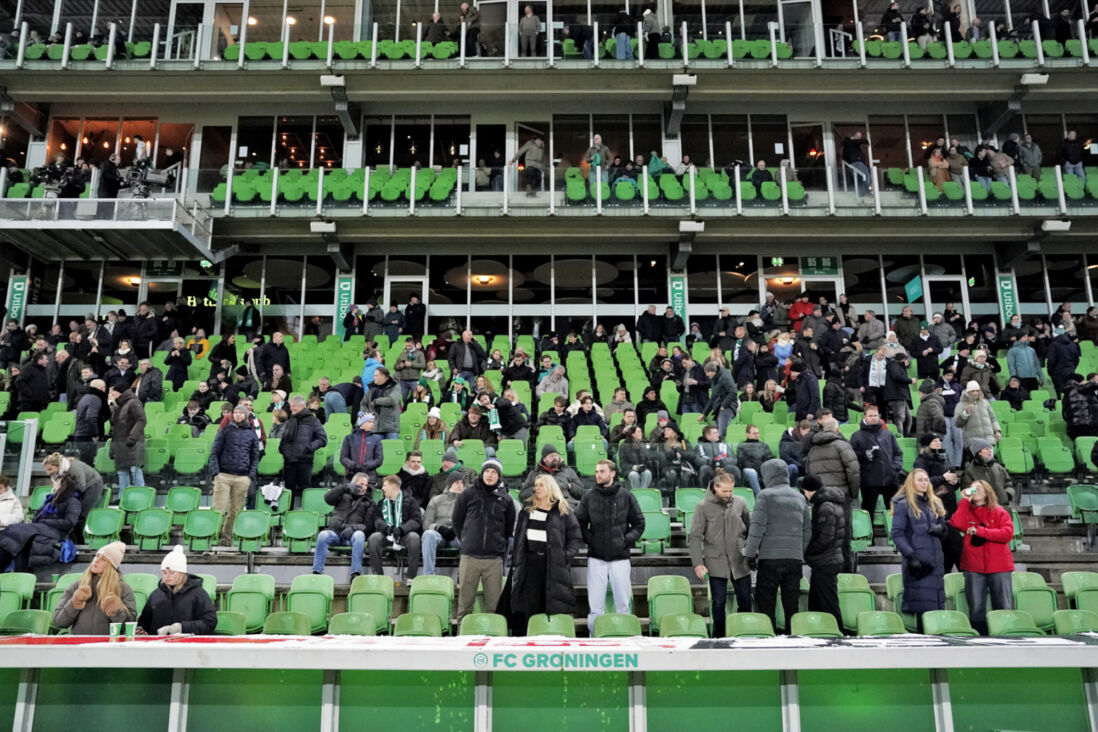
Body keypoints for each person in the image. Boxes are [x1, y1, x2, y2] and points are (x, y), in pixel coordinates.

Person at [505, 474, 583, 631]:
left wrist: (564, 556)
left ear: (550, 487)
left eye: (540, 485)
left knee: (552, 606)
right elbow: (519, 538)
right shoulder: (527, 510)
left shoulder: (564, 510)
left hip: (554, 565)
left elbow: (575, 538)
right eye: (535, 485)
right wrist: (517, 560)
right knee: (529, 607)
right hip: (529, 565)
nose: (536, 488)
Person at [743, 458, 812, 634]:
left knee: (766, 603)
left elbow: (757, 528)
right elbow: (807, 531)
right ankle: (794, 638)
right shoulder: (799, 497)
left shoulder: (765, 496)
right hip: (794, 561)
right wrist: (799, 552)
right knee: (791, 604)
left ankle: (768, 638)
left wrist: (750, 554)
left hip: (770, 559)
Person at [576, 460, 645, 633]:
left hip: (620, 557)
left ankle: (625, 636)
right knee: (595, 605)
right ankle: (595, 636)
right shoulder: (588, 497)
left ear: (612, 473)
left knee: (623, 602)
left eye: (602, 471)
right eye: (596, 471)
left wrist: (624, 541)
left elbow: (639, 524)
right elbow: (579, 524)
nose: (597, 474)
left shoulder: (627, 496)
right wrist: (592, 540)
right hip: (596, 557)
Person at [452, 457, 516, 622]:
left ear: (499, 476)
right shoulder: (468, 495)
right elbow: (456, 521)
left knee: (494, 607)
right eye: (487, 471)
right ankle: (461, 638)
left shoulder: (506, 500)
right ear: (482, 473)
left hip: (493, 559)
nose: (490, 475)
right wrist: (466, 540)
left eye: (494, 472)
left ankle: (493, 639)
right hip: (469, 557)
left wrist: (497, 544)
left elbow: (508, 529)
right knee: (464, 606)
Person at [689, 471, 752, 637]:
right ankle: (720, 636)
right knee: (718, 603)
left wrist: (750, 552)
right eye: (725, 491)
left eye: (731, 491)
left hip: (739, 559)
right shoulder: (702, 506)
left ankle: (743, 633)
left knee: (745, 599)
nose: (729, 494)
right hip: (715, 561)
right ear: (715, 487)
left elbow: (750, 528)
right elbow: (695, 537)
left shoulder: (740, 503)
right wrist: (698, 563)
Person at [949, 479, 1015, 635]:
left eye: (978, 488)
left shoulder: (1000, 512)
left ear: (987, 491)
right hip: (974, 566)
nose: (975, 490)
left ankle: (1003, 636)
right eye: (972, 488)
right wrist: (965, 500)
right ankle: (979, 638)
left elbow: (1007, 534)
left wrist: (980, 531)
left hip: (999, 566)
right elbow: (957, 523)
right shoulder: (967, 511)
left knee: (1003, 605)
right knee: (976, 606)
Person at [890, 468, 948, 626]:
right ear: (911, 482)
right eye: (920, 480)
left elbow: (945, 529)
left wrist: (941, 529)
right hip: (918, 563)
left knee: (935, 607)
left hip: (936, 561)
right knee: (923, 608)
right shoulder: (903, 504)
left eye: (926, 480)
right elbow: (897, 533)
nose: (924, 483)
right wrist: (911, 556)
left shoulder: (934, 502)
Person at [803, 418, 860, 572]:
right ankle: (846, 575)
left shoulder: (813, 449)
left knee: (824, 536)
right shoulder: (843, 445)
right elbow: (853, 472)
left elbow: (809, 473)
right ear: (836, 429)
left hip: (821, 499)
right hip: (841, 497)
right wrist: (853, 494)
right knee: (844, 537)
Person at [0, 469, 81, 570]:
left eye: (57, 483)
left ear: (63, 486)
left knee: (19, 532)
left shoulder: (73, 501)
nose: (54, 485)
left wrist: (46, 521)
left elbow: (70, 522)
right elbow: (38, 514)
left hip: (55, 531)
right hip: (42, 527)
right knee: (11, 530)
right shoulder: (51, 500)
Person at [51, 541, 135, 636]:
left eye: (103, 559)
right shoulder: (76, 586)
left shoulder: (123, 588)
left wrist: (116, 611)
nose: (96, 560)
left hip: (108, 646)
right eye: (97, 555)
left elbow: (130, 625)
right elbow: (58, 622)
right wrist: (74, 604)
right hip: (79, 645)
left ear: (111, 565)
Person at [210, 404, 261, 546]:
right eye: (236, 413)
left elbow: (255, 456)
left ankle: (227, 538)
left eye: (241, 413)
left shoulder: (252, 435)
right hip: (224, 476)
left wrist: (249, 476)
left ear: (246, 415)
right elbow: (214, 452)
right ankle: (213, 536)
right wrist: (216, 473)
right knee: (219, 509)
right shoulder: (225, 431)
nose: (238, 415)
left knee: (235, 511)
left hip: (242, 477)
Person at [137, 545, 217, 636]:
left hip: (188, 644)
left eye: (172, 572)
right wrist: (142, 630)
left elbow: (209, 623)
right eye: (164, 572)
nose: (167, 576)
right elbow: (145, 623)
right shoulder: (156, 595)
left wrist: (182, 627)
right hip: (159, 645)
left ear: (182, 573)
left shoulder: (198, 593)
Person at [313, 472, 376, 580]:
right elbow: (327, 498)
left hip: (352, 536)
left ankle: (355, 573)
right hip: (335, 533)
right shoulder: (342, 494)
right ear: (354, 484)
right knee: (323, 535)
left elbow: (369, 526)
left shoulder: (369, 502)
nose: (364, 487)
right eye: (362, 484)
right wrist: (344, 487)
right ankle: (317, 572)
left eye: (366, 485)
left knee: (360, 535)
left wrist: (354, 528)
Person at [801, 474, 845, 629]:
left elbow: (824, 537)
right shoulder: (831, 503)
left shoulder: (824, 506)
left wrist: (808, 552)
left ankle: (837, 632)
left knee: (827, 602)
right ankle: (822, 631)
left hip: (825, 560)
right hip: (830, 558)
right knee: (819, 600)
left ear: (808, 490)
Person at [849, 404, 903, 516]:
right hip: (869, 480)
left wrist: (895, 468)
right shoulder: (856, 436)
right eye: (870, 416)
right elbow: (851, 456)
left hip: (890, 479)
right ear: (864, 417)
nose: (873, 418)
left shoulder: (889, 435)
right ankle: (870, 533)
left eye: (875, 415)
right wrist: (865, 455)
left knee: (894, 512)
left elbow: (898, 453)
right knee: (869, 511)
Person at [368, 474, 423, 579]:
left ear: (393, 486)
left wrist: (402, 529)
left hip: (404, 534)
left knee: (414, 538)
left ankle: (411, 577)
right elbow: (377, 519)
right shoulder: (382, 503)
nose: (382, 488)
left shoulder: (411, 501)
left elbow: (416, 520)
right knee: (374, 538)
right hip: (387, 534)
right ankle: (378, 576)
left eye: (385, 485)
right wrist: (386, 528)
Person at [279, 394, 328, 505]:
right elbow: (284, 439)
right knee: (288, 491)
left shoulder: (313, 420)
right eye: (291, 406)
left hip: (304, 461)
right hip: (289, 461)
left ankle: (307, 513)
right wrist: (283, 450)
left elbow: (322, 439)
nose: (291, 408)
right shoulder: (290, 420)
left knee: (305, 489)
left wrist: (309, 448)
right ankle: (287, 515)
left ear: (302, 406)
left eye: (294, 406)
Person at [422, 472, 465, 575]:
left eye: (462, 483)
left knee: (469, 538)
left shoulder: (466, 501)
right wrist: (439, 528)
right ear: (450, 484)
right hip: (439, 535)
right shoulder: (436, 500)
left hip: (457, 536)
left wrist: (455, 530)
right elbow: (426, 524)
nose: (460, 486)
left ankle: (462, 576)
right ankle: (428, 575)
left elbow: (470, 523)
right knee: (428, 535)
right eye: (457, 482)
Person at [109, 383, 147, 490]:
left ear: (118, 392)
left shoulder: (133, 402)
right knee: (122, 471)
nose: (111, 395)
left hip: (131, 443)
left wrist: (132, 437)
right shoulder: (119, 405)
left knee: (134, 469)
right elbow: (114, 426)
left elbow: (141, 420)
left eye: (112, 392)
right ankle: (123, 497)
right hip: (121, 443)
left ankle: (141, 494)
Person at [953, 380, 1001, 456]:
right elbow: (957, 423)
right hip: (973, 442)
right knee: (978, 465)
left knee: (989, 463)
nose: (975, 393)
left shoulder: (985, 402)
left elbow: (993, 418)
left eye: (977, 391)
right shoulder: (961, 405)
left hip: (988, 439)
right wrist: (965, 413)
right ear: (968, 392)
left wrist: (997, 431)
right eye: (972, 391)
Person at [961, 439, 1015, 505]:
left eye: (990, 448)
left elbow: (1008, 483)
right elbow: (967, 491)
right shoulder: (969, 471)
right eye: (986, 449)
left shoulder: (999, 467)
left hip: (1002, 507)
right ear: (979, 452)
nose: (990, 451)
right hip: (982, 510)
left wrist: (1007, 495)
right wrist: (979, 495)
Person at [339, 412, 384, 483]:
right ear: (362, 423)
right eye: (369, 422)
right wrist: (353, 466)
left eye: (373, 422)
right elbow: (343, 457)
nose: (372, 424)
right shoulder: (349, 438)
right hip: (350, 477)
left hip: (369, 478)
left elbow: (379, 459)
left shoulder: (376, 439)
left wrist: (365, 466)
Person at [697, 362, 738, 440]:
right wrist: (704, 414)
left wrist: (724, 405)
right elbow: (713, 398)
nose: (706, 375)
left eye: (707, 373)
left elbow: (733, 392)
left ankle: (722, 450)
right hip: (718, 408)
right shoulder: (714, 379)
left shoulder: (725, 376)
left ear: (712, 372)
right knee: (716, 434)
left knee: (720, 434)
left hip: (727, 408)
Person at [737, 423, 777, 495]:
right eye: (754, 433)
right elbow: (743, 461)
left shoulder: (764, 445)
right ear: (748, 434)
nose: (757, 435)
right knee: (751, 472)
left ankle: (772, 494)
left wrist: (764, 467)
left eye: (758, 433)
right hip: (748, 470)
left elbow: (769, 458)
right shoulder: (742, 446)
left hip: (762, 468)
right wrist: (758, 468)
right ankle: (760, 495)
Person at [362, 366, 401, 440]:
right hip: (376, 428)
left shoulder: (395, 386)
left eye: (376, 375)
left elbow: (392, 400)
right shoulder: (372, 387)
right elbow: (364, 404)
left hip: (390, 428)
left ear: (383, 376)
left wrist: (376, 401)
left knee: (391, 449)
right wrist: (367, 414)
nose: (374, 377)